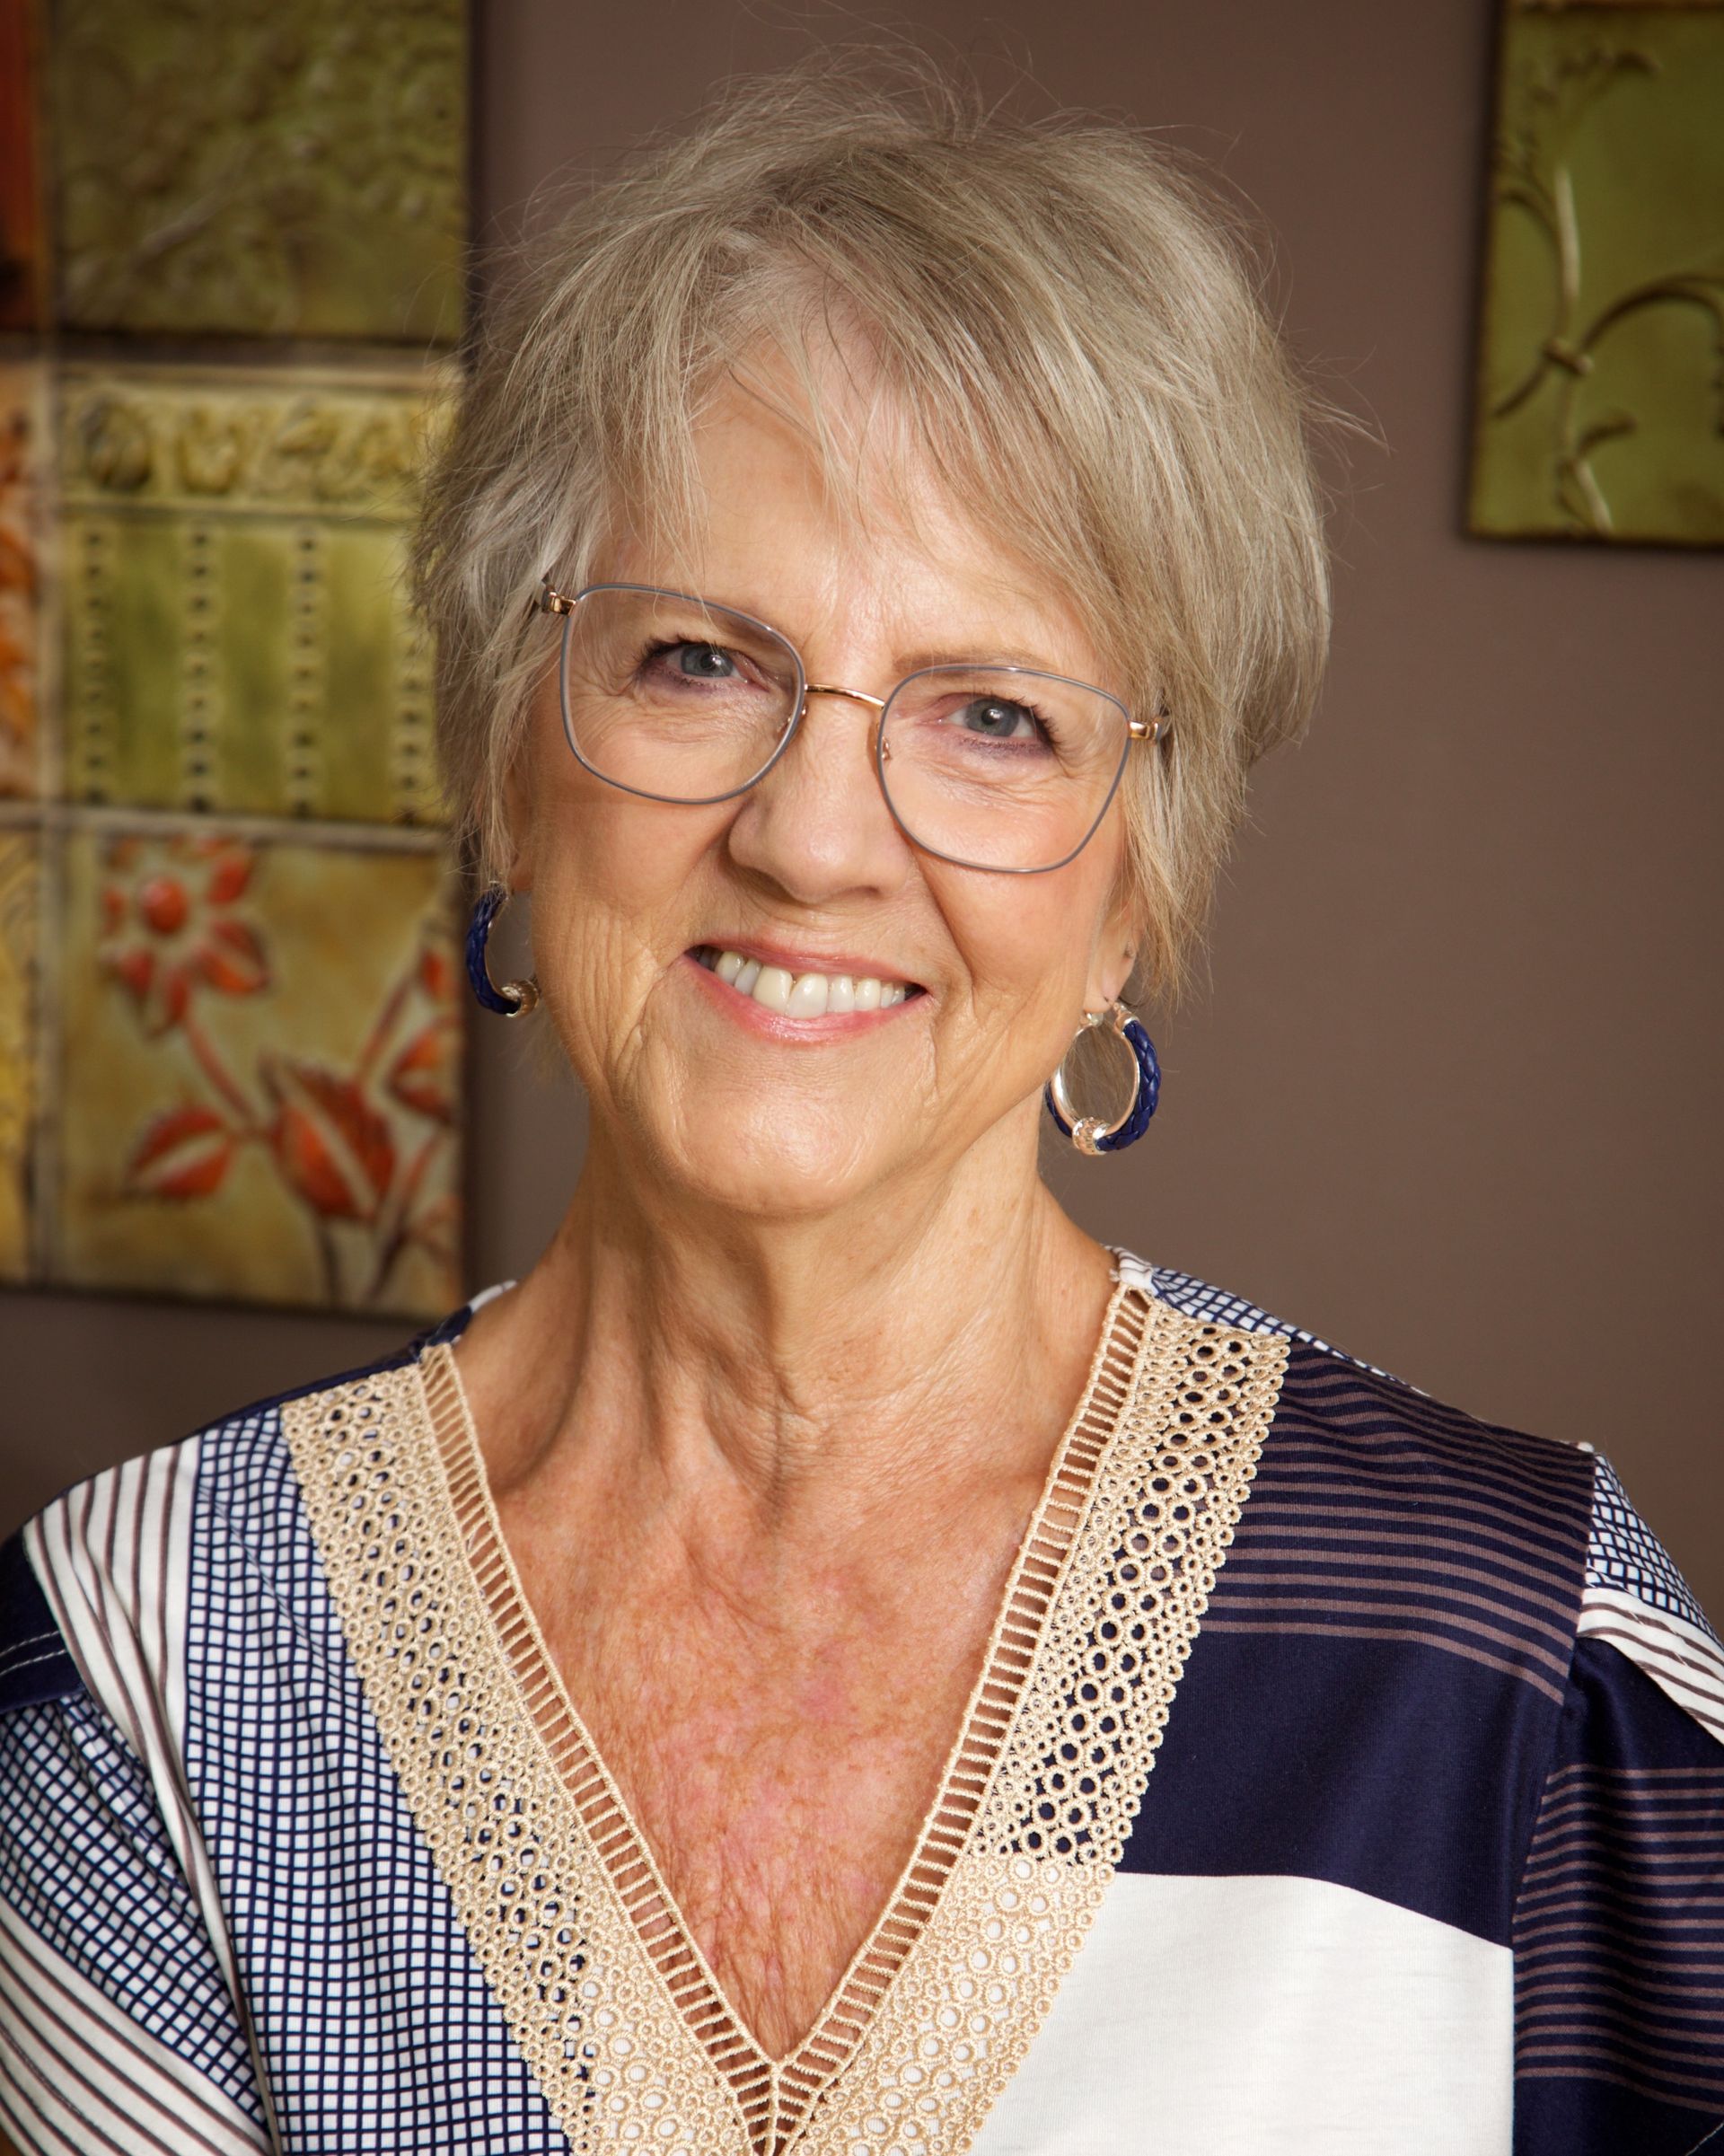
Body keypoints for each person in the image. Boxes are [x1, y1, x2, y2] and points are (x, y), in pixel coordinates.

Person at [1, 62, 1719, 2156]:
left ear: (1136, 890)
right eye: (700, 661)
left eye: (993, 714)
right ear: (509, 778)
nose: (817, 837)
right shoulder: (153, 1649)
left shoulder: (1525, 1655)